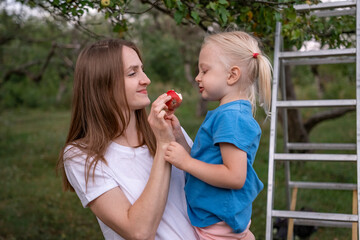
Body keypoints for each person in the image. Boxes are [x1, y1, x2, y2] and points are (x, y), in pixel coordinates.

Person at [56, 39, 198, 240]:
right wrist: (164, 146)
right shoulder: (82, 155)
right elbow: (139, 232)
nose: (146, 79)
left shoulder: (166, 130)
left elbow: (207, 186)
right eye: (132, 73)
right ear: (102, 85)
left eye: (142, 69)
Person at [164, 31, 272, 239]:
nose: (198, 77)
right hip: (216, 217)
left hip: (217, 224)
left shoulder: (231, 117)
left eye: (204, 70)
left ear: (232, 75)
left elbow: (234, 177)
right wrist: (178, 135)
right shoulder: (228, 114)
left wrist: (185, 162)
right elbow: (206, 161)